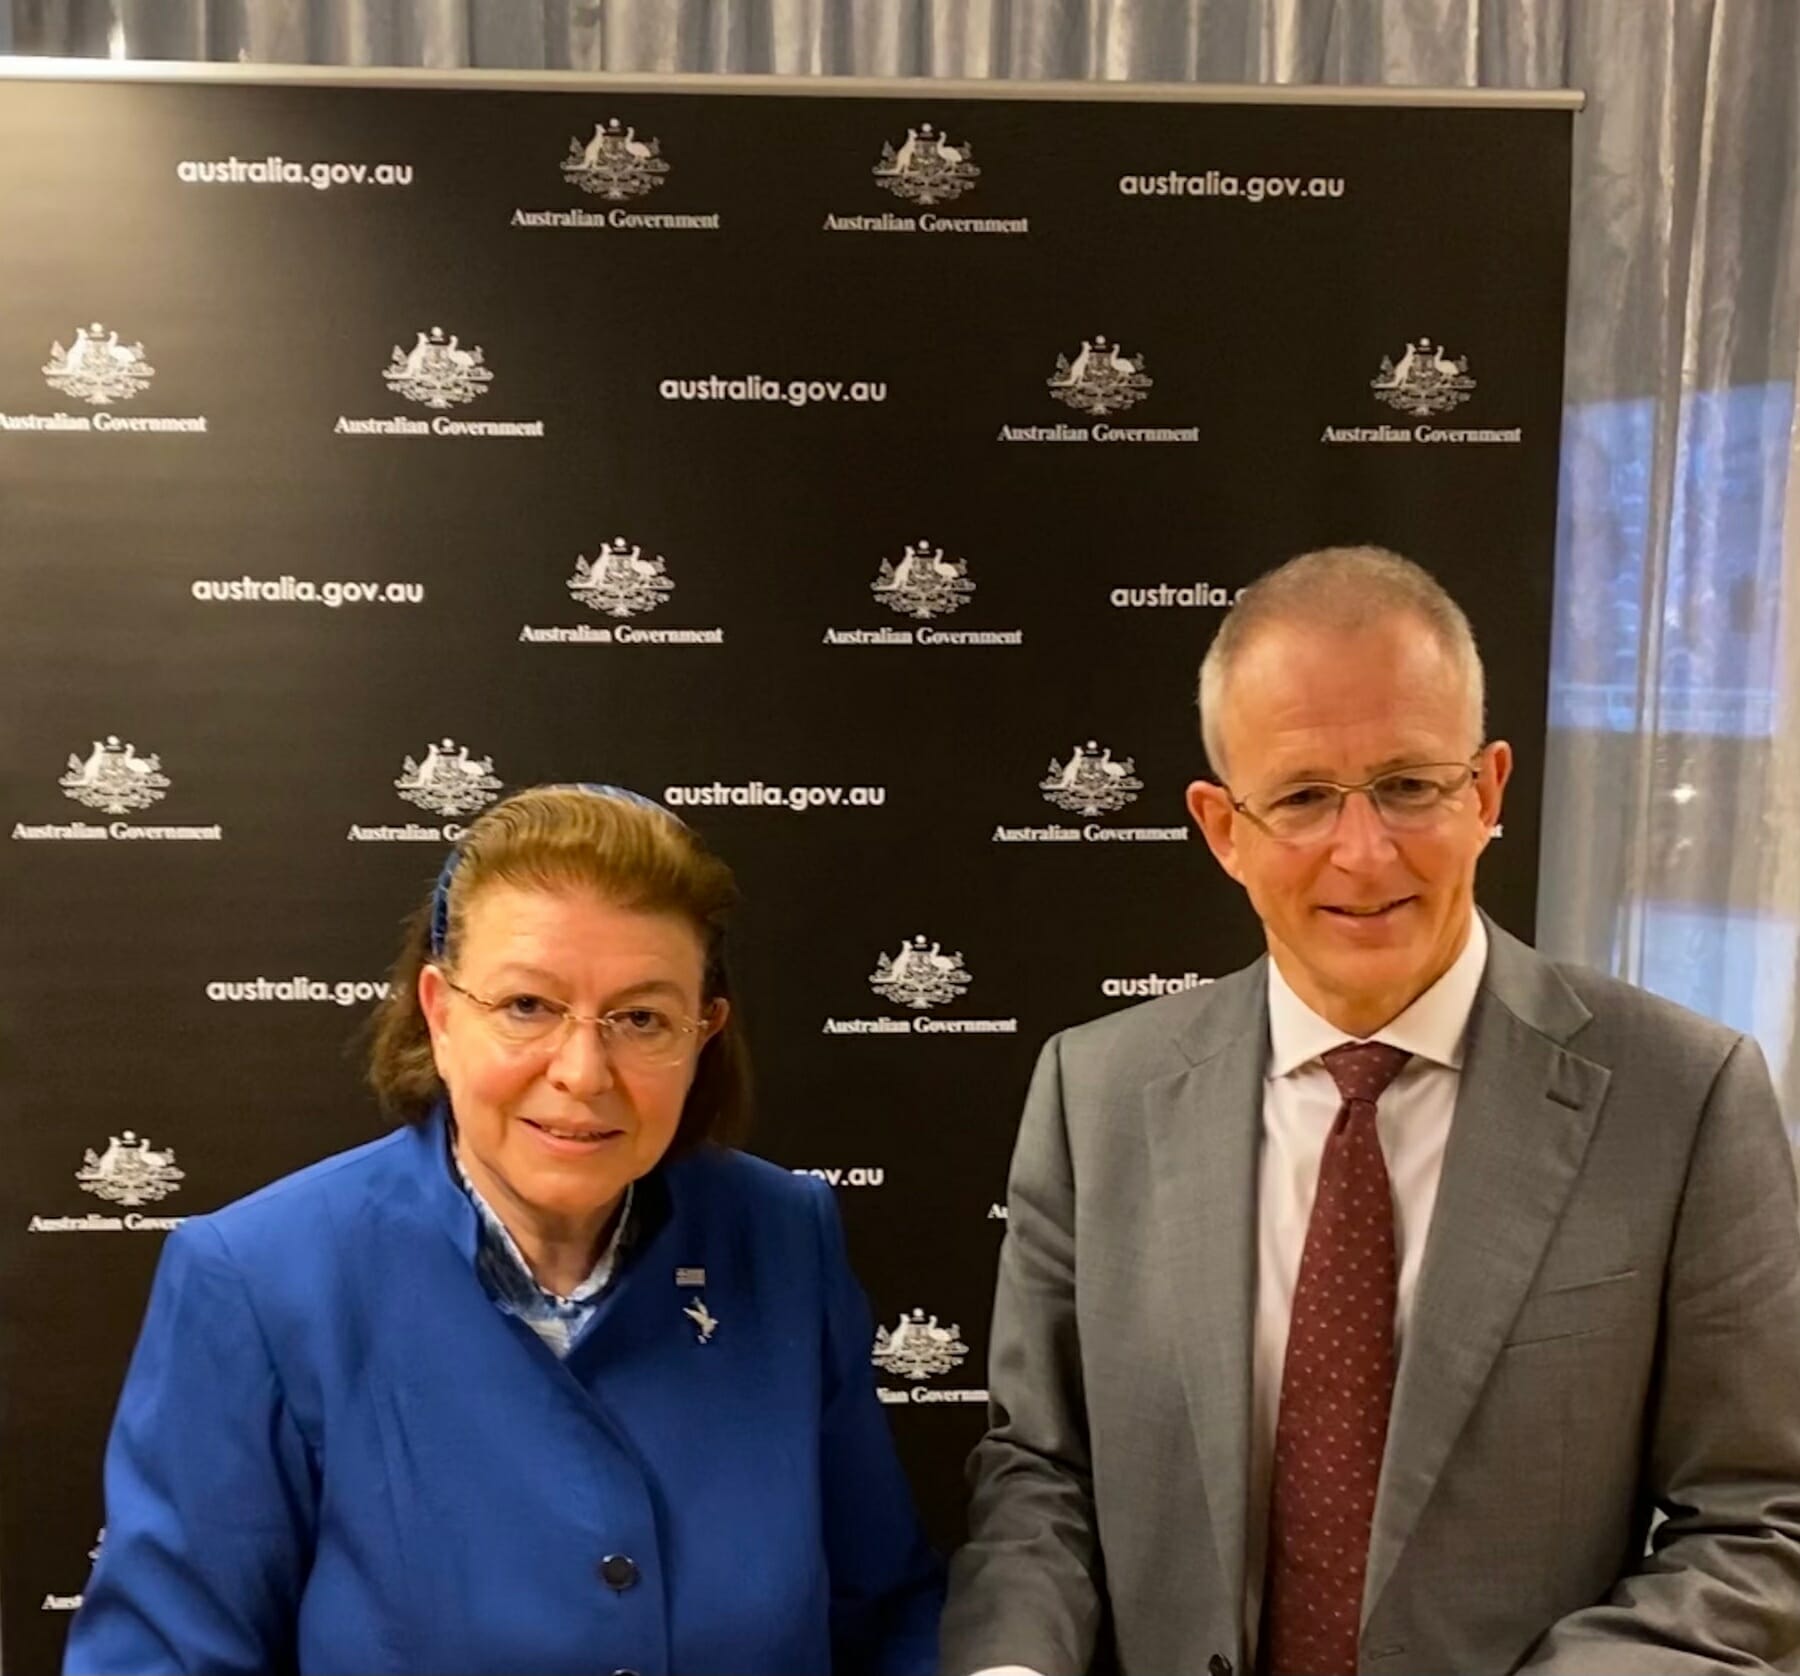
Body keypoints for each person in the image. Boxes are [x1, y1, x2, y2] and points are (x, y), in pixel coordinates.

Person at [941, 547, 1800, 1675]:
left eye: (1409, 784)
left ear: (1487, 791)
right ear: (1223, 827)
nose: (1363, 851)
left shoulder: (1683, 1098)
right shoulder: (1093, 1094)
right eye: (1303, 796)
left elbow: (1759, 1525)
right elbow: (1040, 1474)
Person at [68, 783, 943, 1676]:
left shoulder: (783, 1237)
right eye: (527, 1006)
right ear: (441, 1014)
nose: (583, 1072)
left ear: (703, 1035)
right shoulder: (260, 1279)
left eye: (642, 1018)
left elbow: (888, 1614)